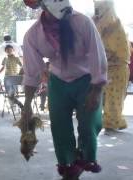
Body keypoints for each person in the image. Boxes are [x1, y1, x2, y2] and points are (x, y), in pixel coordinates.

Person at [22, 0, 107, 179]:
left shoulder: (82, 23)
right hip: (58, 82)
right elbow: (31, 73)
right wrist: (27, 105)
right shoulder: (34, 35)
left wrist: (96, 89)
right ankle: (68, 164)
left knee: (89, 124)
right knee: (59, 128)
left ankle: (83, 158)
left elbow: (97, 55)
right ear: (44, 7)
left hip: (87, 81)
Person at [94, 0, 131, 134]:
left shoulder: (114, 25)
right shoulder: (99, 23)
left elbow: (120, 51)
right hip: (106, 66)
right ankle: (109, 122)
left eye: (99, 8)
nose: (97, 11)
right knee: (104, 95)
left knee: (113, 97)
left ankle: (112, 123)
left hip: (118, 67)